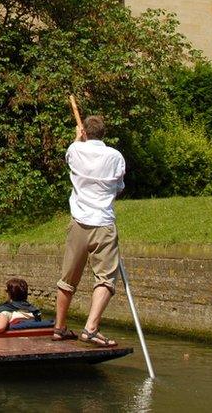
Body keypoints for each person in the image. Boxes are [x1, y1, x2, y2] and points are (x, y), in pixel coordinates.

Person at [53, 114, 124, 348]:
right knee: (105, 279)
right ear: (103, 133)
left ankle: (59, 328)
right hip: (103, 223)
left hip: (79, 223)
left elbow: (72, 154)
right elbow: (119, 188)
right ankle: (91, 329)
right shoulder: (116, 156)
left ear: (84, 132)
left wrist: (77, 138)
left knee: (68, 279)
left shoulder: (75, 150)